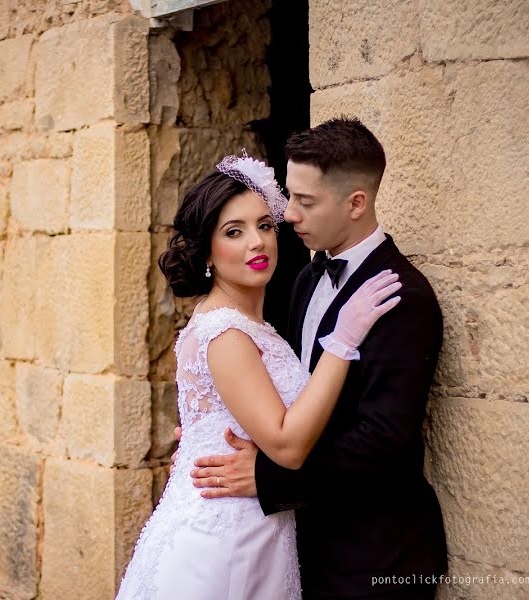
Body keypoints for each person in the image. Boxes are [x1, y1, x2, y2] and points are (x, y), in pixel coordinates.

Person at [115, 150, 403, 599]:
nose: (258, 242)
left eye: (265, 225)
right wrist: (342, 341)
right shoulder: (225, 332)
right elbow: (286, 446)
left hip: (263, 530)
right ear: (208, 250)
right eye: (235, 231)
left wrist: (197, 441)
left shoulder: (258, 324)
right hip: (226, 544)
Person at [184, 118, 448, 599]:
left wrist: (267, 477)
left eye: (305, 202)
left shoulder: (401, 296)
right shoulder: (306, 280)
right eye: (290, 197)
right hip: (305, 546)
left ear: (356, 203)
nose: (287, 217)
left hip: (374, 557)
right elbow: (291, 393)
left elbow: (383, 440)